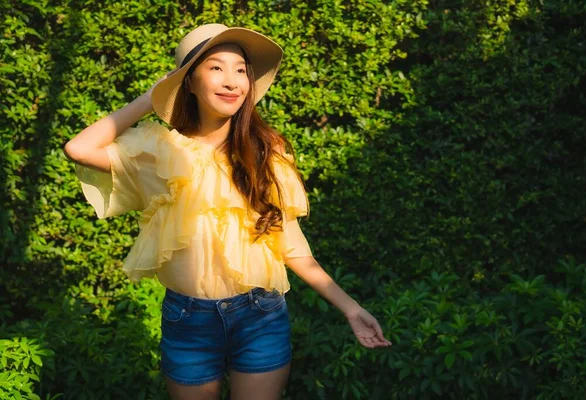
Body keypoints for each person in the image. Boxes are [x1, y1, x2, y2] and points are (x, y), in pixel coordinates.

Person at [63, 23, 392, 400]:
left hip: (260, 315)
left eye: (240, 70)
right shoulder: (158, 152)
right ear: (189, 82)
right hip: (188, 320)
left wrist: (351, 308)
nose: (231, 80)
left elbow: (293, 247)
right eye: (216, 67)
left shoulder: (266, 155)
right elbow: (79, 149)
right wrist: (152, 96)